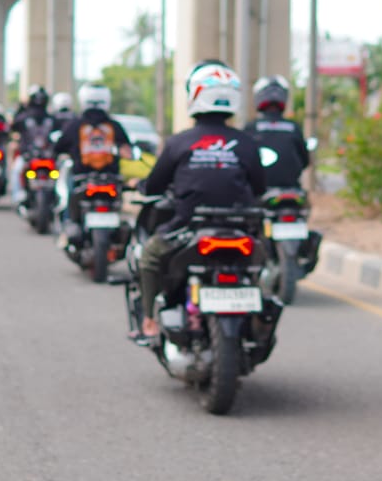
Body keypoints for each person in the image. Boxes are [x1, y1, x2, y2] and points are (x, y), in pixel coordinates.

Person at [134, 61, 267, 341]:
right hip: (239, 229)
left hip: (187, 229)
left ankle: (148, 320)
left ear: (194, 95)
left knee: (148, 257)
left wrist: (143, 186)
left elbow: (155, 185)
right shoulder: (246, 143)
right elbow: (259, 187)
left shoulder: (179, 143)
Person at [51, 83, 132, 244]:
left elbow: (58, 147)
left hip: (82, 178)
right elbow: (127, 151)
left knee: (66, 195)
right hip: (111, 179)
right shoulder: (114, 126)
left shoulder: (75, 125)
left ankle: (67, 228)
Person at [242, 75, 310, 188]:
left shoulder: (251, 127)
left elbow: (244, 161)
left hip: (260, 192)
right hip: (292, 190)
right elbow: (305, 161)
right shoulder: (294, 127)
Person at [10, 86, 55, 210]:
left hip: (32, 157)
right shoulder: (50, 118)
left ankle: (18, 197)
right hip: (41, 157)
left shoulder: (24, 117)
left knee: (16, 171)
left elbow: (13, 126)